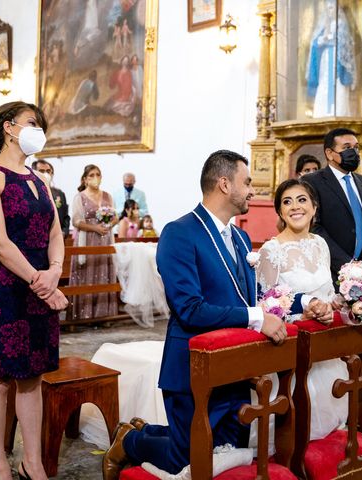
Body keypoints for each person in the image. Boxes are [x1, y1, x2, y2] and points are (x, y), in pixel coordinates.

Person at [102, 150, 290, 478]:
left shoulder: (242, 238)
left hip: (234, 365)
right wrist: (257, 318)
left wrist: (294, 305)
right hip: (192, 364)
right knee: (186, 456)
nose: (251, 191)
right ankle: (130, 441)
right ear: (223, 183)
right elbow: (189, 309)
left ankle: (146, 432)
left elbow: (252, 296)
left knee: (225, 450)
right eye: (246, 182)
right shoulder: (179, 233)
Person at [0, 101, 68, 480]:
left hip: (38, 285)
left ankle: (34, 462)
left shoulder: (39, 180)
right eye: (32, 123)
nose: (38, 131)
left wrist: (55, 270)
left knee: (32, 378)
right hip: (3, 290)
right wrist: (41, 282)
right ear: (9, 128)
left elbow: (56, 234)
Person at [257, 178, 348, 441]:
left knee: (327, 429)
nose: (295, 207)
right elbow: (266, 305)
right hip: (291, 351)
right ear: (280, 212)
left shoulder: (320, 244)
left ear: (314, 207)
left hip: (323, 348)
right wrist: (303, 313)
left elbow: (327, 295)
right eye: (287, 202)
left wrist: (337, 304)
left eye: (301, 200)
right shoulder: (271, 251)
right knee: (295, 431)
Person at [303, 128, 362, 285]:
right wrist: (346, 265)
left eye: (356, 148)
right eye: (347, 148)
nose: (353, 152)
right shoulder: (311, 182)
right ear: (329, 153)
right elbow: (313, 226)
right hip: (328, 272)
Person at [69, 164, 118, 320]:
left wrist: (108, 225)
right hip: (87, 238)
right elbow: (76, 221)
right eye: (91, 175)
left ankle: (104, 315)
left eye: (98, 174)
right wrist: (95, 228)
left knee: (104, 272)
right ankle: (85, 315)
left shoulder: (108, 196)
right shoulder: (80, 197)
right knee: (87, 271)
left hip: (105, 238)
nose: (95, 178)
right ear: (85, 179)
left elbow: (115, 216)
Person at [305, 0, 356, 117]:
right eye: (328, 8)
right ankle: (322, 113)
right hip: (326, 58)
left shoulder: (341, 24)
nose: (330, 11)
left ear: (337, 9)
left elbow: (345, 42)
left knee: (337, 84)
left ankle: (337, 112)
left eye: (332, 8)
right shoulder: (324, 25)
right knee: (324, 82)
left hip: (336, 59)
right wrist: (321, 40)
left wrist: (330, 38)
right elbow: (315, 42)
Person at [32, 160, 71, 238]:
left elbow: (65, 217)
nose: (46, 174)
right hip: (38, 238)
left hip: (58, 238)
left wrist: (64, 232)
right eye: (42, 171)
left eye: (48, 171)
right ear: (33, 173)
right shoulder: (30, 192)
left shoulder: (59, 194)